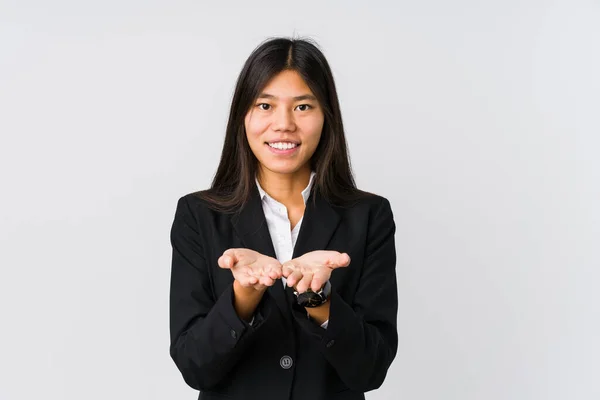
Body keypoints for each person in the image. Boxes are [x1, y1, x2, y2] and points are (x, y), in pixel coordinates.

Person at [169, 37, 398, 400]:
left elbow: (371, 369)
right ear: (242, 116)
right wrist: (243, 296)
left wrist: (318, 299)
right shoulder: (199, 216)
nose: (283, 125)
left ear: (326, 116)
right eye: (265, 105)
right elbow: (194, 365)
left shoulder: (368, 216)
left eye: (303, 106)